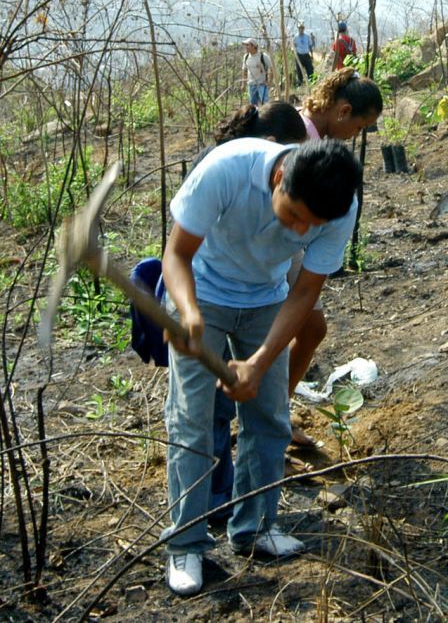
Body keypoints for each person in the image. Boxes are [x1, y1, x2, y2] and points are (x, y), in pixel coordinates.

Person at [161, 138, 361, 596]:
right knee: (191, 419)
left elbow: (306, 291)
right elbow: (176, 255)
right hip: (203, 291)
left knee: (270, 417)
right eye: (293, 215)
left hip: (268, 298)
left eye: (311, 225)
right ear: (278, 178)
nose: (299, 231)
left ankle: (255, 527)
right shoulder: (226, 170)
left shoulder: (339, 207)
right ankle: (186, 543)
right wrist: (190, 314)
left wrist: (259, 361)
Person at [287, 69, 384, 431]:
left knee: (311, 329)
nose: (355, 136)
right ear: (342, 112)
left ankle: (276, 406)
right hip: (277, 248)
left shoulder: (309, 132)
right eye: (359, 128)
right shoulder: (300, 140)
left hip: (292, 248)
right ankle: (270, 413)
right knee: (300, 328)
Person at [242, 39, 272, 106]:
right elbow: (244, 70)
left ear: (254, 46)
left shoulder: (263, 56)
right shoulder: (246, 57)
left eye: (248, 45)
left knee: (265, 103)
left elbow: (270, 68)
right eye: (245, 45)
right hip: (251, 84)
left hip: (262, 84)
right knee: (253, 105)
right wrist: (243, 84)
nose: (246, 47)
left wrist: (269, 82)